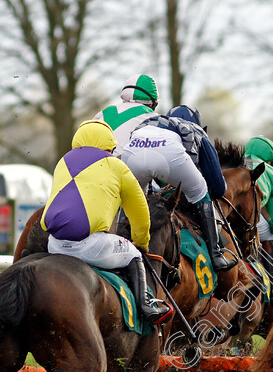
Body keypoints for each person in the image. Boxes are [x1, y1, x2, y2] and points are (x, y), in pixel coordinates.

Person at [41, 119, 171, 324]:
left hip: (54, 243)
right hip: (89, 245)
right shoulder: (116, 165)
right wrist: (141, 242)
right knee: (134, 254)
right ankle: (145, 306)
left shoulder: (63, 161)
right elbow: (139, 212)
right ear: (110, 146)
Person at [121, 104, 237, 272]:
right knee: (201, 191)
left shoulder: (153, 121)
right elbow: (218, 187)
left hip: (133, 150)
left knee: (133, 199)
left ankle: (120, 241)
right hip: (168, 154)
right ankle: (216, 256)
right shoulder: (196, 130)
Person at [243, 136, 273, 303]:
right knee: (269, 235)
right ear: (269, 160)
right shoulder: (270, 171)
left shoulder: (238, 162)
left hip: (223, 212)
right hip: (249, 215)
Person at [94, 74, 160, 153]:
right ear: (152, 103)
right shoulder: (154, 118)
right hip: (123, 163)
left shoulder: (103, 113)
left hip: (92, 161)